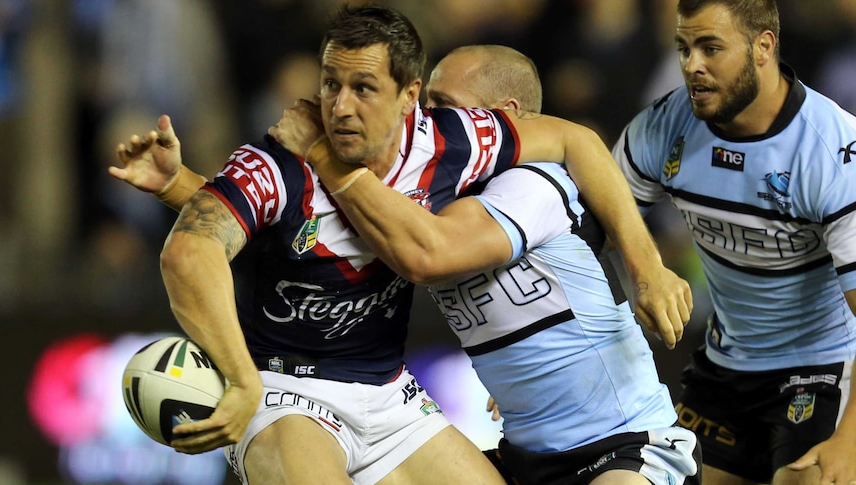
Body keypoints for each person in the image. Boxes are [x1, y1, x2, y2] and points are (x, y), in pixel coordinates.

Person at [110, 5, 691, 484]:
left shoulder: (460, 147)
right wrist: (241, 378)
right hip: (288, 388)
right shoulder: (275, 162)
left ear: (408, 97)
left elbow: (426, 250)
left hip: (395, 399)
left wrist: (647, 267)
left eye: (364, 88)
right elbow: (198, 250)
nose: (339, 106)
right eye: (330, 84)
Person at [273, 43, 702, 485]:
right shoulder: (428, 196)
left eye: (443, 105)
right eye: (425, 104)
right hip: (526, 458)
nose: (426, 120)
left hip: (623, 445)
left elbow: (428, 253)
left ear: (503, 115)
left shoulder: (531, 183)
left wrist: (325, 157)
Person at [609, 1, 856, 484]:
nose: (691, 65)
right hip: (724, 367)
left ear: (763, 46)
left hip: (822, 370)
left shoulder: (832, 152)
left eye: (710, 48)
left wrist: (851, 439)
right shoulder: (665, 126)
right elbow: (592, 226)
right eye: (683, 48)